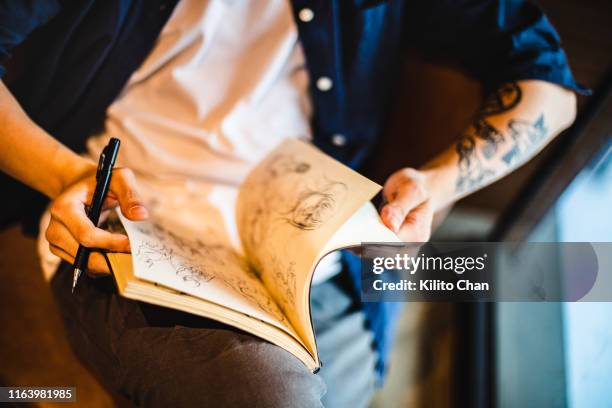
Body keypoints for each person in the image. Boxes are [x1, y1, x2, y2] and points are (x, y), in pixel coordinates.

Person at [0, 1, 585, 406]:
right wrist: (62, 173)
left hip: (314, 252)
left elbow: (551, 90)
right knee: (261, 393)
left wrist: (440, 182)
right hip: (132, 231)